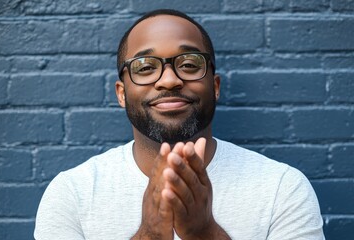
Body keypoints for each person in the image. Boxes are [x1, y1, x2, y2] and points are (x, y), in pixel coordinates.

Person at [34, 9, 325, 240]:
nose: (170, 80)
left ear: (215, 86)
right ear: (122, 94)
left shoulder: (282, 189)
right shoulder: (71, 193)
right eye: (145, 67)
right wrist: (149, 235)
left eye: (189, 64)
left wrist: (204, 234)